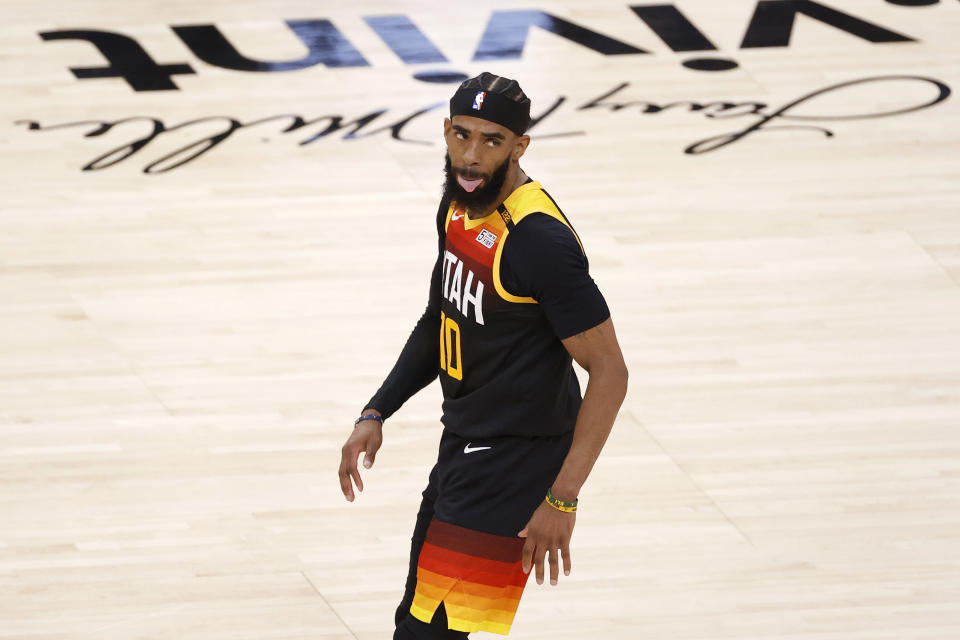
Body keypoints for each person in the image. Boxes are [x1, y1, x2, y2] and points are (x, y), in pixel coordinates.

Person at [338, 72, 628, 639]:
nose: (471, 157)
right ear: (445, 131)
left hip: (515, 458)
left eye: (492, 141)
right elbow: (438, 319)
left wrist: (562, 499)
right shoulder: (457, 203)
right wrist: (376, 411)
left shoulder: (537, 240)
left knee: (431, 633)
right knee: (416, 619)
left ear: (520, 146)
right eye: (461, 136)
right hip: (466, 440)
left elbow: (611, 372)